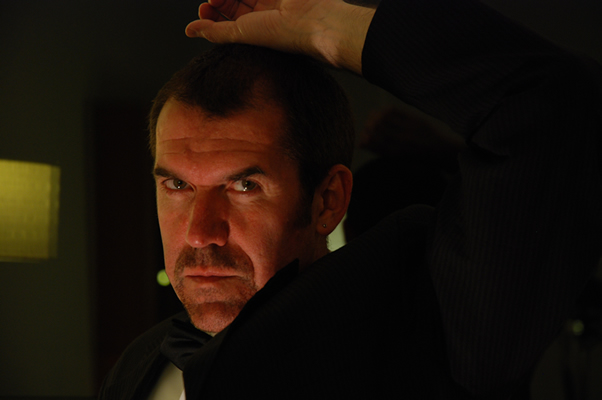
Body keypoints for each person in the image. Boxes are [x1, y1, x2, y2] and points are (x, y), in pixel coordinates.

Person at [99, 0, 602, 399]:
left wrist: (328, 28)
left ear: (328, 201)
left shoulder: (432, 334)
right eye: (177, 186)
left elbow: (552, 103)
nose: (199, 232)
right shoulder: (140, 362)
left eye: (244, 187)